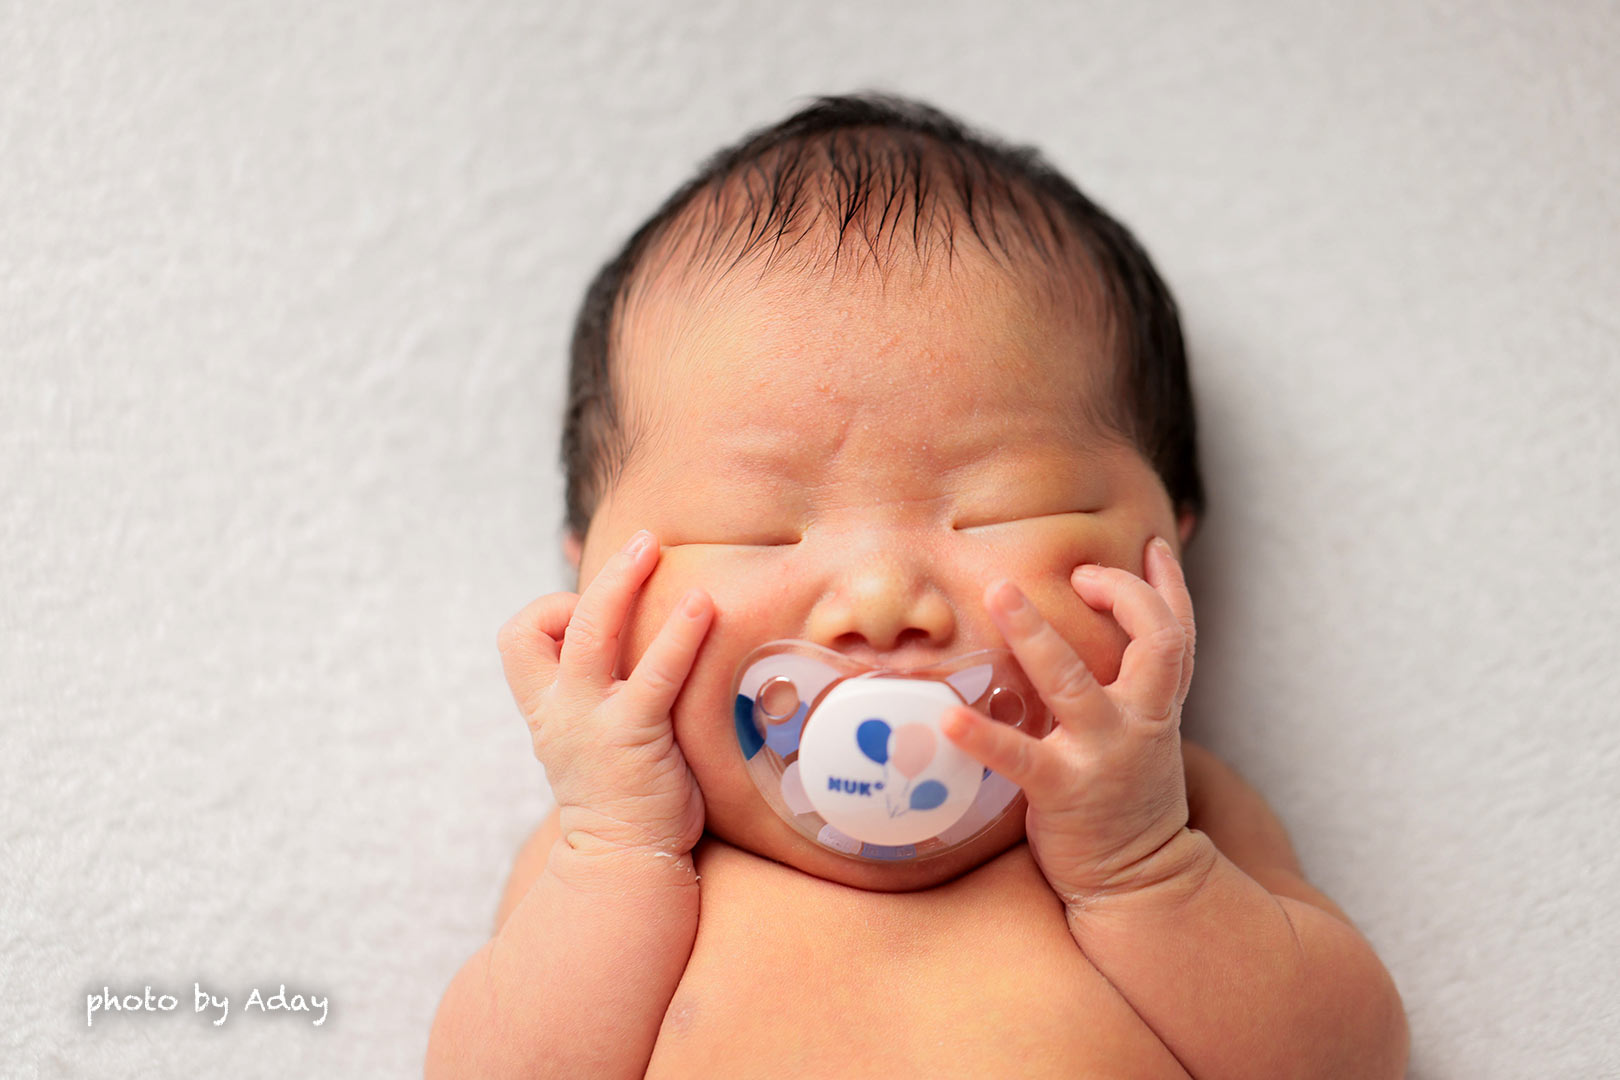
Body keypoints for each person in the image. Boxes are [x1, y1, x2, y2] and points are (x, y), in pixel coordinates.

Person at [427, 91, 1409, 1079]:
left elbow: (1349, 1061)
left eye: (1003, 510)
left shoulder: (1181, 819)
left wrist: (1140, 872)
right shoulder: (614, 857)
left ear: (1171, 547)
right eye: (752, 526)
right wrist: (617, 852)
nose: (882, 599)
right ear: (588, 573)